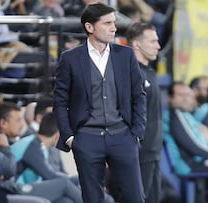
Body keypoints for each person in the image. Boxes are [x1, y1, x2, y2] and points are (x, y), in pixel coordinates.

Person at [53, 3, 147, 203]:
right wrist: (69, 137)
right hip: (86, 138)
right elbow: (60, 102)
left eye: (114, 23)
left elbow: (139, 96)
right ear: (90, 27)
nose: (114, 28)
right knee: (92, 198)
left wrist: (137, 132)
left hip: (122, 136)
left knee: (135, 197)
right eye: (107, 23)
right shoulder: (70, 59)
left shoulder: (126, 55)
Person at [0, 107, 83, 203]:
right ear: (58, 134)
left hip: (22, 187)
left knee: (66, 201)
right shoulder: (31, 144)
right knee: (65, 185)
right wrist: (82, 177)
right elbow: (50, 175)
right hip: (13, 188)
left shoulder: (39, 145)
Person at [125, 22, 162, 203]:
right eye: (153, 41)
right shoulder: (130, 73)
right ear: (136, 44)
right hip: (138, 152)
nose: (158, 46)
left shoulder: (150, 72)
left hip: (153, 151)